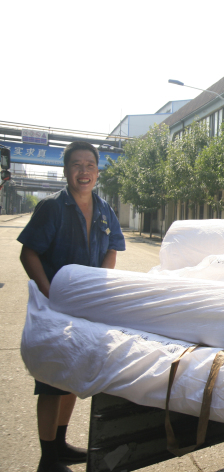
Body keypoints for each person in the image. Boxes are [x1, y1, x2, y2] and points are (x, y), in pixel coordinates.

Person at [18, 141, 126, 472]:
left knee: (71, 376)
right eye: (77, 165)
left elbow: (112, 248)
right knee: (51, 381)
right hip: (54, 307)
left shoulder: (105, 210)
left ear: (97, 171)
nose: (84, 171)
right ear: (66, 170)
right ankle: (47, 458)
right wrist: (51, 293)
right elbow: (28, 253)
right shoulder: (52, 207)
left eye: (90, 165)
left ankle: (60, 444)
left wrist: (98, 287)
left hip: (86, 307)